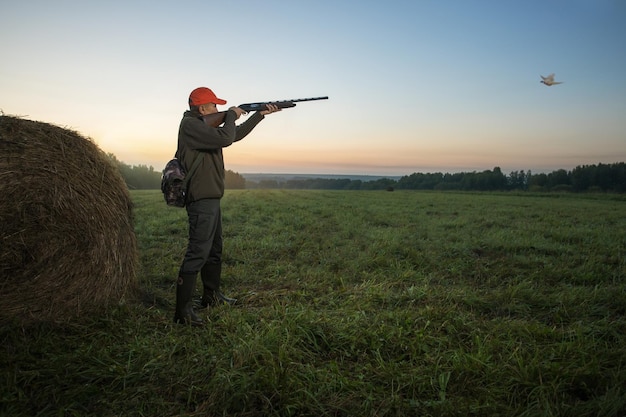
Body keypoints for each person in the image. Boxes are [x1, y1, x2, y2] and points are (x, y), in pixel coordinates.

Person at [174, 87, 280, 326]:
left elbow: (235, 135)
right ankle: (182, 312)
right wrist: (231, 114)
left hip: (211, 197)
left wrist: (258, 115)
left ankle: (211, 297)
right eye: (215, 106)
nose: (218, 110)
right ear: (203, 109)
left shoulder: (203, 127)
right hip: (200, 199)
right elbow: (226, 138)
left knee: (214, 250)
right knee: (198, 252)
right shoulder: (191, 127)